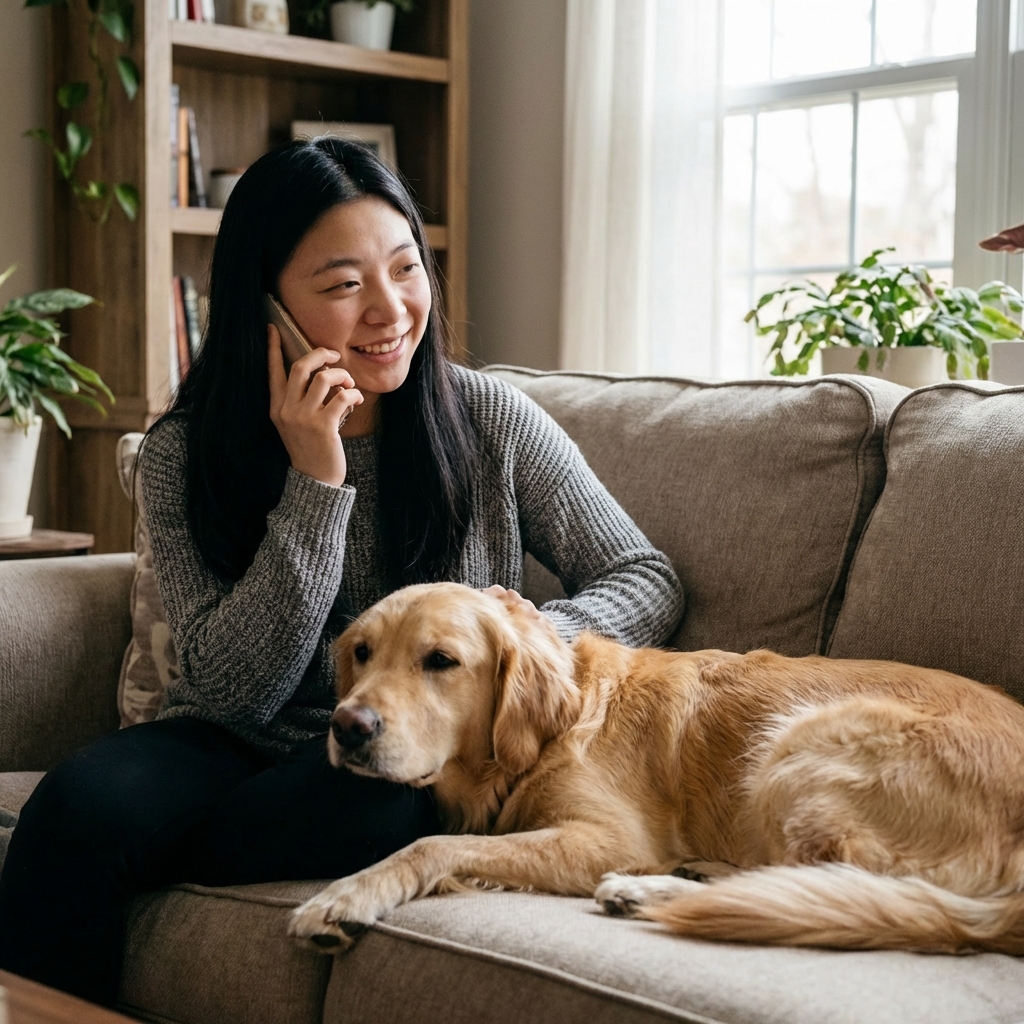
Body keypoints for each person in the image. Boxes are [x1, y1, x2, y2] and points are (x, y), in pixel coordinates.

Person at [0, 138, 683, 1006]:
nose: (390, 309)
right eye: (343, 285)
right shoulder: (186, 451)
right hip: (229, 742)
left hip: (392, 760)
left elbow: (644, 572)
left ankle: (151, 851)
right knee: (72, 809)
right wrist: (315, 483)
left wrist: (538, 635)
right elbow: (231, 692)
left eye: (406, 269)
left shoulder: (490, 422)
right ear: (267, 308)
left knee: (373, 810)